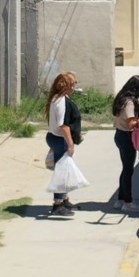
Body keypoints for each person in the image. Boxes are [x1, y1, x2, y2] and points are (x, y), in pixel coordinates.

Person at [112, 75, 139, 213]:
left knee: (126, 168)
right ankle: (128, 202)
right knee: (128, 170)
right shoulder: (129, 103)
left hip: (119, 135)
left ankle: (120, 199)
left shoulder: (120, 99)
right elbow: (131, 124)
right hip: (127, 137)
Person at [44, 72, 82, 217]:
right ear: (67, 86)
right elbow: (63, 126)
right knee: (61, 173)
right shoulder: (61, 102)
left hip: (56, 138)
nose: (74, 87)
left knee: (64, 171)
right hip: (60, 140)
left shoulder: (57, 98)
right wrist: (70, 144)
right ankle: (57, 204)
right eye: (73, 84)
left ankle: (64, 199)